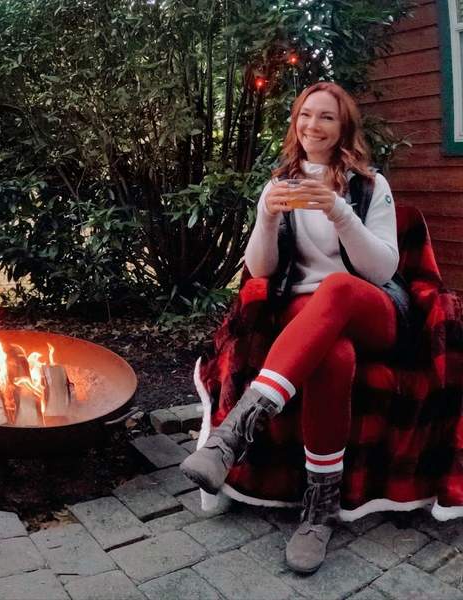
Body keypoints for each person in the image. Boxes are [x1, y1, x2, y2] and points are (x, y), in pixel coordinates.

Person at [180, 81, 406, 574]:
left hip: (369, 307)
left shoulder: (370, 186)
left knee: (339, 289)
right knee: (334, 357)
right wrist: (264, 216)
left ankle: (231, 436)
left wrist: (339, 211)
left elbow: (384, 270)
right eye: (305, 115)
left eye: (325, 117)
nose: (312, 126)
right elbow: (261, 271)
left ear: (343, 125)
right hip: (304, 316)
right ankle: (319, 513)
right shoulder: (279, 183)